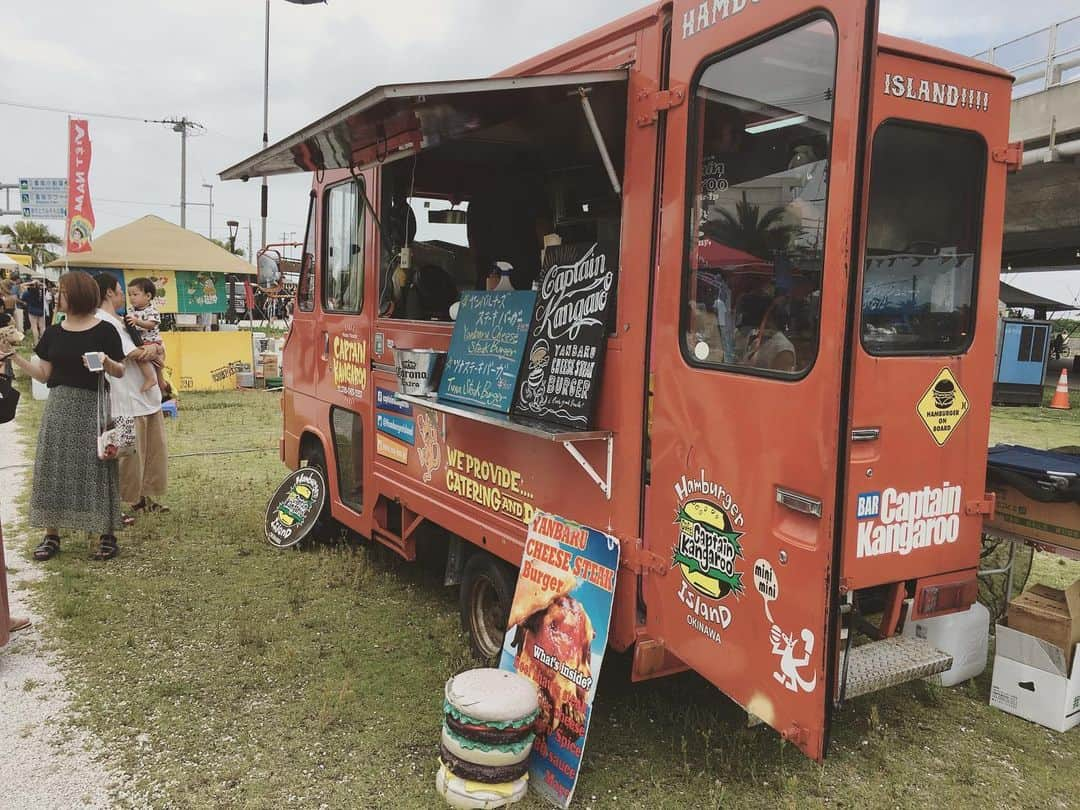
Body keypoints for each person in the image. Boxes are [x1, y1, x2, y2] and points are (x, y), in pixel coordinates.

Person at [0, 271, 127, 561]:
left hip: (93, 405)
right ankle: (51, 534)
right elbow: (44, 375)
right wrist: (14, 357)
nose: (58, 296)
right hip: (59, 406)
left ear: (78, 295)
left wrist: (107, 363)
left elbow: (120, 371)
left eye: (63, 292)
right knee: (53, 467)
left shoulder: (104, 330)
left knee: (98, 467)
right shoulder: (54, 332)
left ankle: (106, 534)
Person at [95, 273, 169, 516]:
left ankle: (145, 497)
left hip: (146, 398)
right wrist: (154, 350)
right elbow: (132, 352)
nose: (123, 295)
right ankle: (128, 502)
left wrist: (156, 348)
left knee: (150, 452)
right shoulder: (102, 322)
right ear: (108, 292)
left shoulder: (122, 318)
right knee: (129, 455)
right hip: (127, 400)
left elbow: (150, 343)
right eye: (119, 290)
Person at [124, 277, 167, 395]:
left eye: (135, 294)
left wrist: (137, 321)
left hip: (152, 342)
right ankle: (161, 383)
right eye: (129, 295)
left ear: (148, 296)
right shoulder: (131, 310)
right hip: (142, 342)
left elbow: (151, 325)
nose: (131, 298)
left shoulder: (152, 311)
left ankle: (151, 379)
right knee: (156, 363)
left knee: (141, 357)